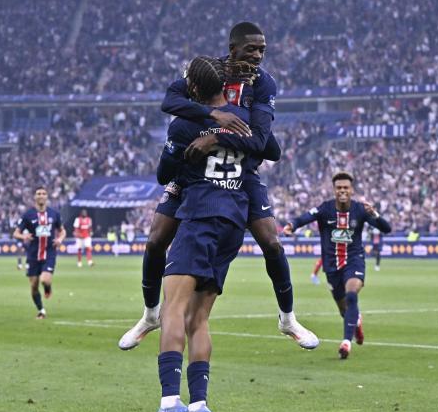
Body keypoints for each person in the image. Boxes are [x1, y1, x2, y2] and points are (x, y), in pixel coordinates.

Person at [120, 21, 318, 351]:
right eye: (252, 49)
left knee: (271, 242)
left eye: (262, 50)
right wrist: (214, 115)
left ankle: (288, 319)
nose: (258, 55)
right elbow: (169, 101)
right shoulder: (209, 72)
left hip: (241, 171)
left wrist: (216, 136)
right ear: (232, 49)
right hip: (192, 169)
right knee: (155, 240)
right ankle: (150, 314)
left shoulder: (264, 83)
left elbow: (262, 142)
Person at [139, 56, 268, 412]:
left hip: (199, 217)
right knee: (199, 318)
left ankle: (169, 402)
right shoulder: (244, 118)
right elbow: (266, 148)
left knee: (173, 309)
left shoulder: (184, 123)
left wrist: (185, 151)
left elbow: (164, 174)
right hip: (233, 223)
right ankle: (199, 405)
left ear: (194, 89)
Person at [284, 172, 392, 359]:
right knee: (344, 310)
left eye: (346, 188)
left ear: (351, 190)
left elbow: (386, 228)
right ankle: (356, 321)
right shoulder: (325, 209)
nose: (342, 191)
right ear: (334, 190)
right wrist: (292, 225)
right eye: (339, 188)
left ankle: (346, 343)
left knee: (351, 295)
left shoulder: (360, 210)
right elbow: (305, 217)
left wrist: (375, 214)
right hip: (332, 265)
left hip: (354, 260)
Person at [13, 186, 66, 319]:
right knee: (34, 286)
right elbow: (16, 233)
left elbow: (62, 231)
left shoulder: (54, 214)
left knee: (45, 279)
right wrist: (23, 236)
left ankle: (48, 287)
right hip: (33, 254)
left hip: (49, 252)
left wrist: (60, 239)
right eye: (38, 193)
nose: (41, 195)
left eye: (43, 193)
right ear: (35, 197)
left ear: (47, 197)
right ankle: (41, 310)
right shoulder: (28, 215)